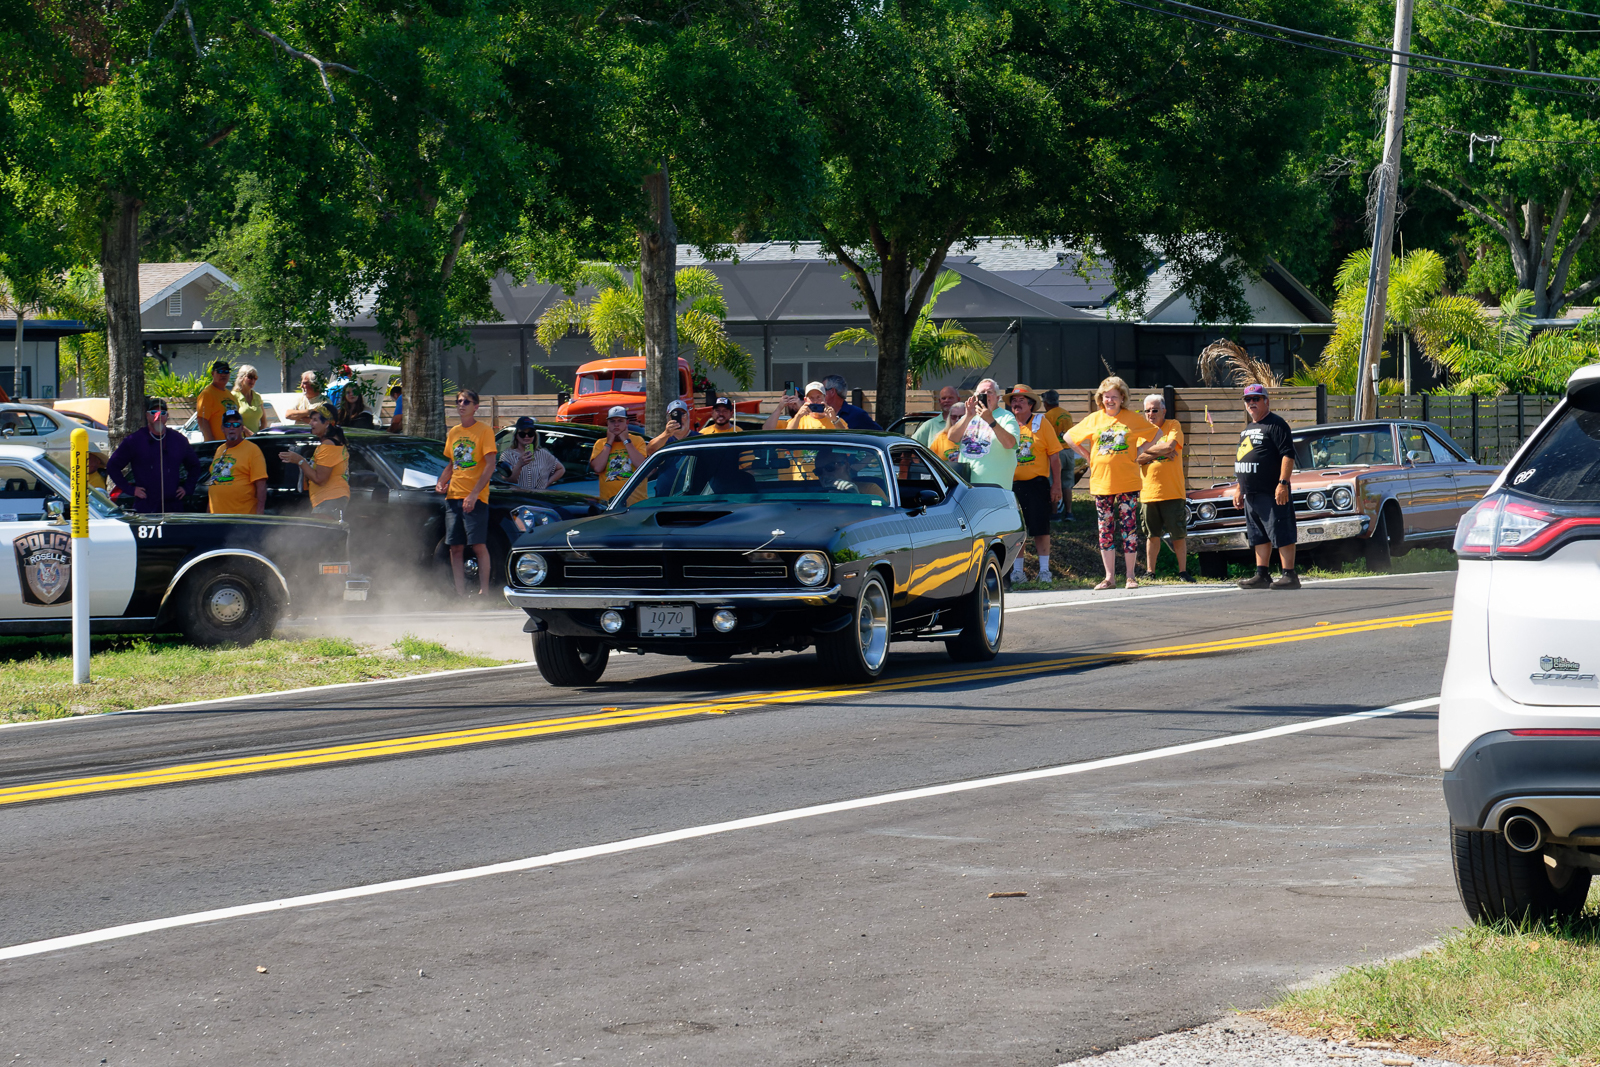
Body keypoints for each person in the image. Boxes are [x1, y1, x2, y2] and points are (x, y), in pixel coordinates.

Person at [1067, 376, 1166, 590]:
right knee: (1105, 530)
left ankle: (1130, 576)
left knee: (1129, 529)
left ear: (1122, 398)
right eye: (1106, 396)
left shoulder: (1132, 418)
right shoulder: (1094, 419)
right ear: (1100, 398)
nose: (1110, 400)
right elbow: (1068, 437)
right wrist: (1087, 456)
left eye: (1114, 396)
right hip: (1102, 483)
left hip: (1127, 482)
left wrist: (1139, 450)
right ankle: (1109, 577)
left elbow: (1157, 433)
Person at [1232, 382, 1299, 589]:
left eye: (1256, 399)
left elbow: (1288, 455)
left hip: (1272, 491)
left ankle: (1289, 575)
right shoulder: (1248, 429)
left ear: (1266, 401)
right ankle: (1262, 574)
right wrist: (1239, 488)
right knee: (1258, 534)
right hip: (1251, 493)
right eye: (1248, 399)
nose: (1251, 403)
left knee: (1280, 530)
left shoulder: (1276, 424)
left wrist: (1283, 483)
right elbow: (1242, 457)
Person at [437, 389, 498, 595]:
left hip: (476, 497)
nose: (461, 405)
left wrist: (473, 494)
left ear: (476, 406)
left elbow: (490, 464)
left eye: (466, 401)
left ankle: (484, 592)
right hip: (453, 496)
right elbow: (452, 464)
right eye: (459, 401)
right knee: (455, 547)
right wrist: (441, 482)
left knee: (478, 545)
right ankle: (460, 594)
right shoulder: (454, 432)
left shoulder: (484, 431)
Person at [1005, 384, 1064, 585]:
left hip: (1037, 484)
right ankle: (1018, 572)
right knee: (1017, 530)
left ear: (1031, 404)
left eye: (1021, 400)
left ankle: (1044, 571)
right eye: (1013, 400)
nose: (1016, 404)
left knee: (1041, 528)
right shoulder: (1006, 424)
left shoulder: (1041, 423)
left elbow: (1054, 457)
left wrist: (1056, 485)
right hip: (1012, 485)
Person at [106, 397, 202, 513]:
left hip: (173, 506)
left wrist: (187, 488)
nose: (158, 416)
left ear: (167, 416)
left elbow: (195, 466)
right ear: (147, 415)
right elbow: (112, 466)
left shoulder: (179, 440)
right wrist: (130, 489)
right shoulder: (135, 440)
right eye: (154, 412)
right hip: (146, 506)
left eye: (162, 413)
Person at [1137, 393, 1194, 583]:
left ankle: (1183, 572)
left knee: (1178, 535)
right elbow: (1136, 458)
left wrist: (1147, 451)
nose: (1151, 414)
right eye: (1147, 411)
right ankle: (1150, 572)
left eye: (1154, 410)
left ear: (1163, 411)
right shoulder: (1141, 431)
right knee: (1151, 535)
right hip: (1148, 492)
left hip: (1172, 491)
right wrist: (1157, 453)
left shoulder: (1173, 425)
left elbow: (1170, 446)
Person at [279, 404, 349, 518]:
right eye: (311, 419)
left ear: (327, 423)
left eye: (315, 420)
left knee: (321, 530)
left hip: (329, 500)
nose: (310, 423)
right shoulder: (332, 443)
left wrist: (300, 461)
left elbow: (320, 479)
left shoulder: (328, 446)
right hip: (329, 499)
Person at [951, 378, 1019, 488]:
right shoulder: (969, 415)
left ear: (998, 398)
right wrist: (968, 416)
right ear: (976, 397)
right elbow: (952, 437)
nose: (986, 395)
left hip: (995, 488)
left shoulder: (1006, 417)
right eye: (982, 393)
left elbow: (1010, 444)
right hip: (967, 488)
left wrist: (990, 420)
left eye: (990, 392)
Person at [207, 407, 268, 515]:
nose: (232, 428)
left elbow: (261, 484)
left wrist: (259, 513)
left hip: (241, 517)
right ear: (222, 428)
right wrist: (208, 512)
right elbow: (214, 482)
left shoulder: (253, 450)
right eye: (227, 425)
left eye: (236, 425)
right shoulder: (219, 450)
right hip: (216, 516)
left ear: (242, 428)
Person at [590, 404, 648, 502]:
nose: (616, 424)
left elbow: (641, 466)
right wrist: (609, 442)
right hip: (610, 502)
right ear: (607, 423)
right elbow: (598, 468)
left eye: (620, 421)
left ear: (627, 422)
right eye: (612, 421)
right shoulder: (600, 443)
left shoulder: (638, 440)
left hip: (636, 502)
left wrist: (626, 440)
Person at [503, 416, 565, 490]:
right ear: (516, 435)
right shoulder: (508, 455)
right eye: (522, 434)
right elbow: (508, 481)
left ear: (534, 435)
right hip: (518, 496)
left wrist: (547, 483)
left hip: (539, 496)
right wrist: (519, 464)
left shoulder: (543, 453)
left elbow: (561, 469)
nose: (526, 436)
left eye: (530, 433)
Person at [765, 381, 848, 430]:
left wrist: (834, 420)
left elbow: (846, 439)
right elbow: (786, 437)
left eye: (818, 397)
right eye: (811, 398)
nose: (815, 401)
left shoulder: (836, 421)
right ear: (805, 400)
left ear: (825, 398)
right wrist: (797, 415)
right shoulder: (798, 420)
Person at [195, 359, 233, 442]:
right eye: (220, 371)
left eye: (226, 371)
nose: (223, 374)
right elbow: (202, 419)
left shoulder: (230, 395)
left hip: (233, 443)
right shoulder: (207, 394)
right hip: (218, 443)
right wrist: (211, 442)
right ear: (213, 373)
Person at [231, 364, 267, 433]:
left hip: (256, 438)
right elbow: (233, 421)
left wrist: (260, 435)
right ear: (241, 377)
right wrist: (249, 434)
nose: (253, 380)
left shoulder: (257, 396)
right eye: (250, 377)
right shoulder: (233, 396)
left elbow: (264, 421)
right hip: (240, 438)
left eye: (255, 378)